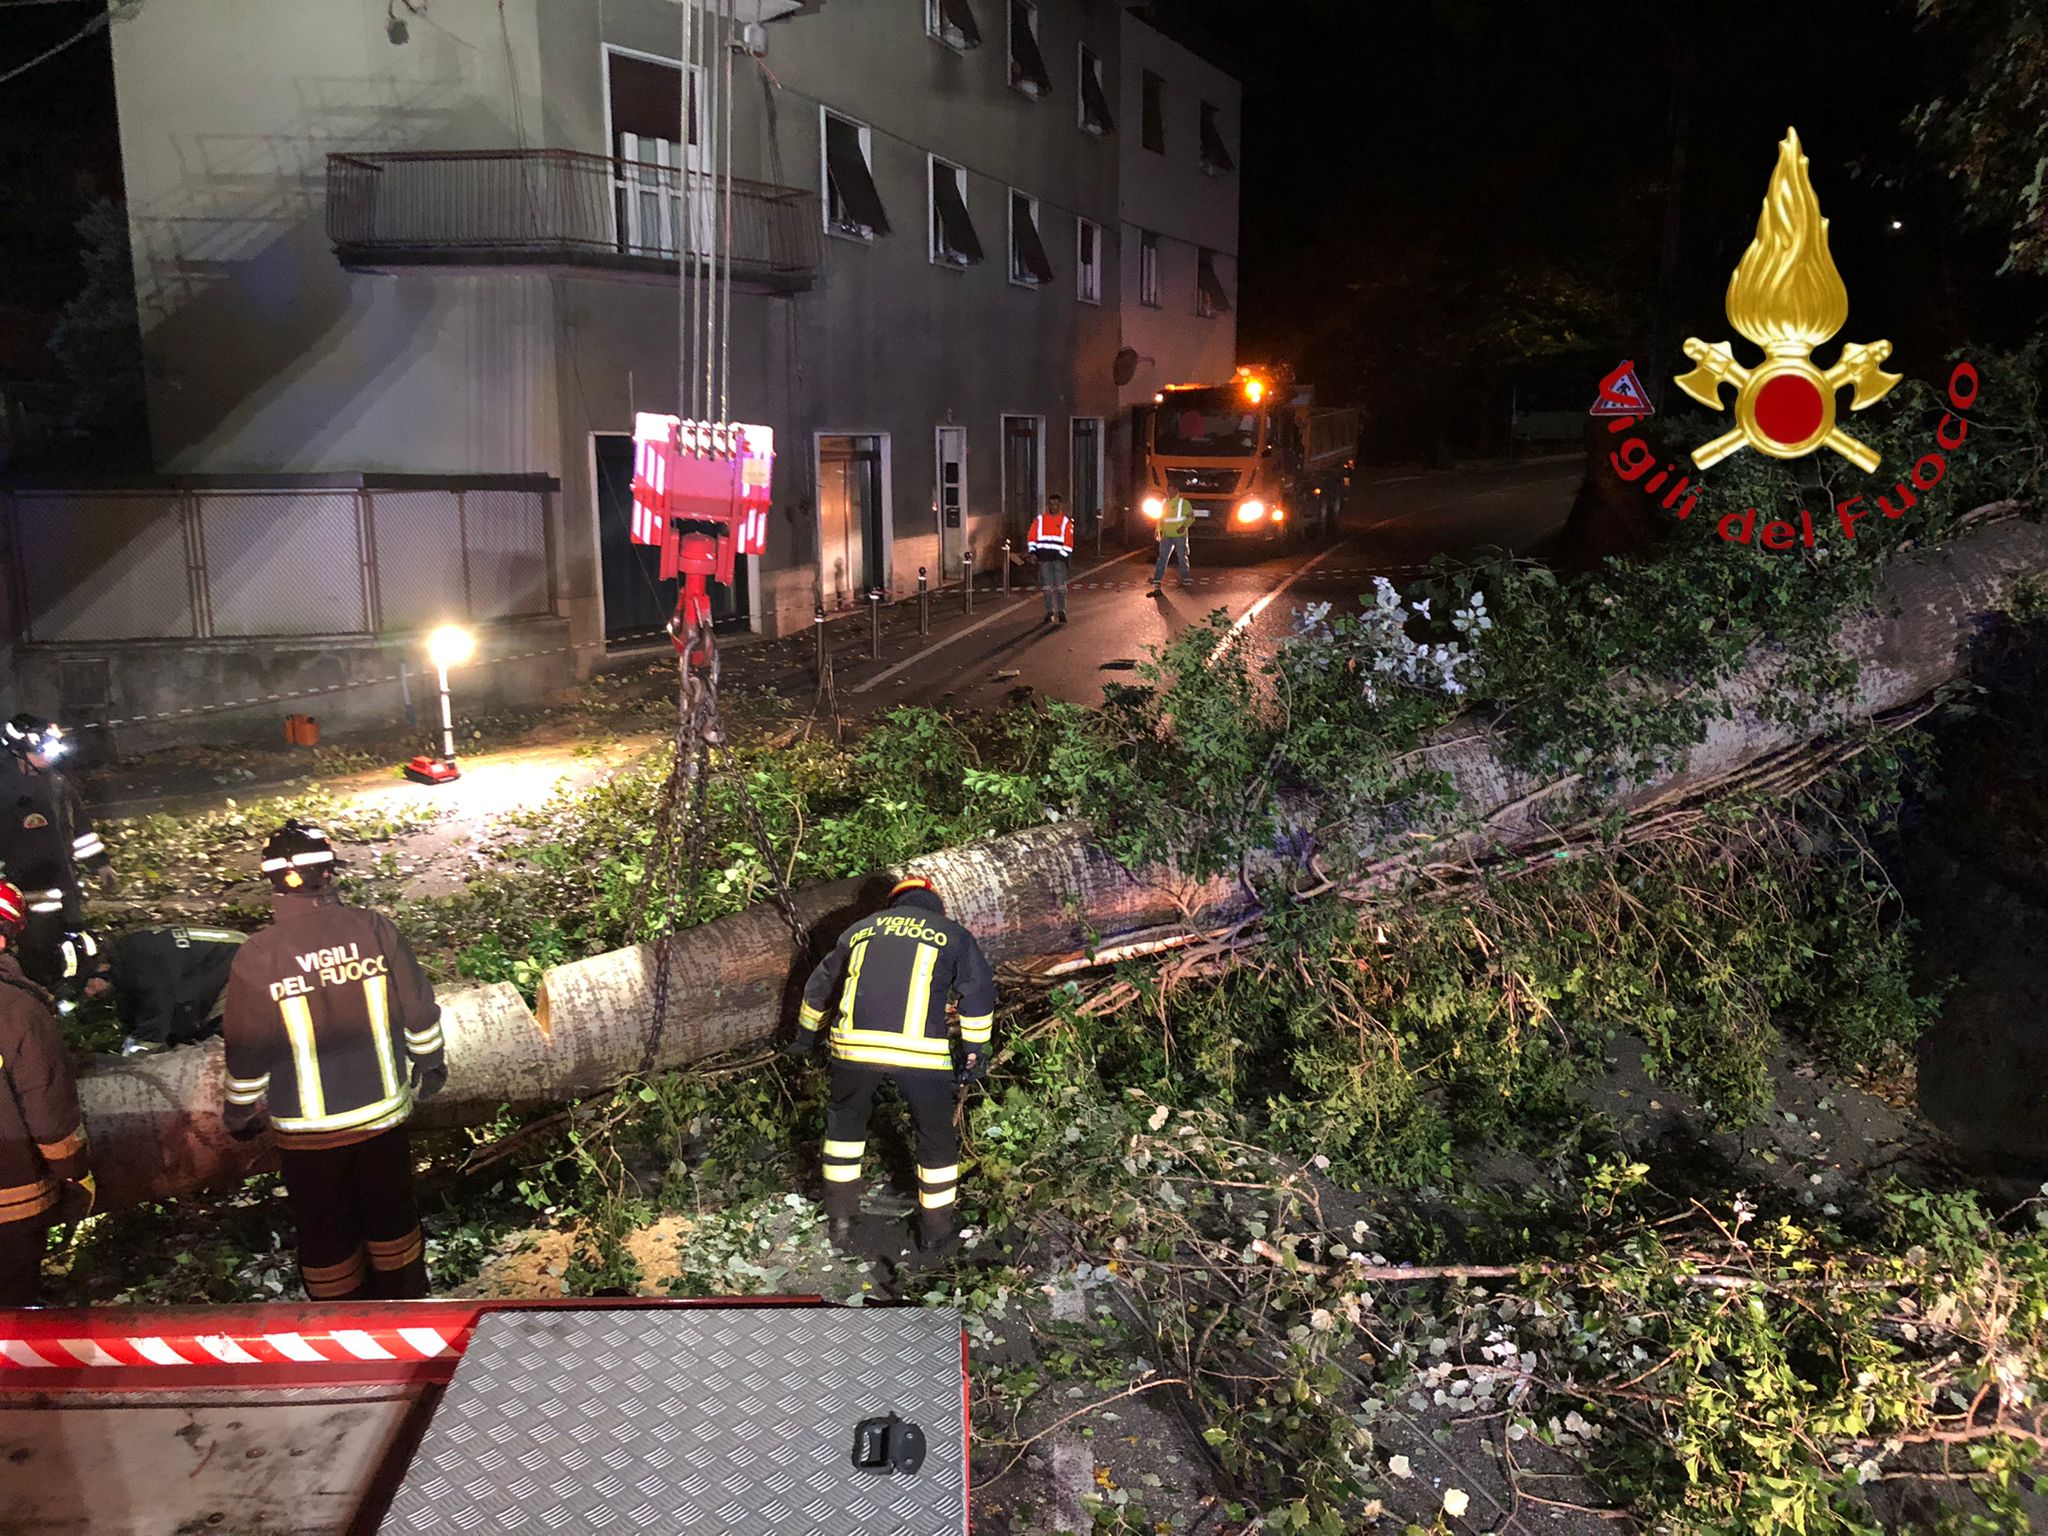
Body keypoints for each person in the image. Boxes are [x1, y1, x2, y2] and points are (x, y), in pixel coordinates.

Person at [221, 819, 445, 1300]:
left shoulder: (258, 955)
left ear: (273, 882)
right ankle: (408, 1316)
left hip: (306, 1137)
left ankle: (341, 1328)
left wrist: (239, 1113)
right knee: (393, 1223)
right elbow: (419, 1008)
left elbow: (246, 1049)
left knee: (326, 1237)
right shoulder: (373, 928)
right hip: (382, 1119)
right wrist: (431, 1063)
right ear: (329, 871)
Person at [783, 875, 995, 1259]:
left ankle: (841, 1223)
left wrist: (805, 1037)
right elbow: (976, 992)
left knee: (845, 1127)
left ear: (893, 902)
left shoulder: (859, 930)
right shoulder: (952, 934)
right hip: (921, 1055)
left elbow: (818, 986)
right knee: (934, 1138)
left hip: (853, 1049)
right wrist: (975, 1049)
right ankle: (936, 1233)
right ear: (935, 904)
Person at [0, 879, 93, 1307]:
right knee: (14, 1306)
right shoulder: (18, 1009)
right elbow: (47, 1104)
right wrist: (74, 1171)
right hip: (10, 1196)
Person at [0, 715, 111, 992]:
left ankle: (72, 996)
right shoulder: (3, 789)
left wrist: (101, 864)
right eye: (42, 751)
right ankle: (39, 998)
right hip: (27, 895)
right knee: (36, 953)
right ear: (19, 751)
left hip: (66, 886)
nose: (49, 756)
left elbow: (81, 829)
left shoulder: (58, 784)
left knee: (75, 944)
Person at [80, 925, 247, 1057]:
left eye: (90, 984)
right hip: (216, 963)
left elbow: (155, 1023)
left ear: (103, 967)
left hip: (244, 959)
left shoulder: (145, 967)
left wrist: (127, 1063)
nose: (89, 993)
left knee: (219, 1037)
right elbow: (137, 1020)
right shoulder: (125, 965)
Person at [1027, 494, 1076, 625]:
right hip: (1044, 559)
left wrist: (1061, 556)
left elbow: (1069, 542)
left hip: (1058, 560)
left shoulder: (1065, 521)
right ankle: (1050, 612)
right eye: (1051, 504)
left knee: (1060, 587)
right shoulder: (1040, 520)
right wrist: (1033, 553)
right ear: (1048, 505)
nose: (1053, 507)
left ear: (1060, 506)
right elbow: (1032, 537)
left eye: (1056, 505)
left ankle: (1061, 612)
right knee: (1047, 587)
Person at [1149, 492, 1196, 594]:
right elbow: (1160, 518)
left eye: (1172, 490)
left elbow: (1191, 517)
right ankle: (1157, 579)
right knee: (1162, 557)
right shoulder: (1164, 503)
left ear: (1176, 490)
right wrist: (1157, 530)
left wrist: (1184, 526)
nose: (1170, 492)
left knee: (1182, 556)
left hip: (1180, 536)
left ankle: (1185, 578)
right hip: (1166, 535)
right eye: (1168, 490)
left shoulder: (1184, 503)